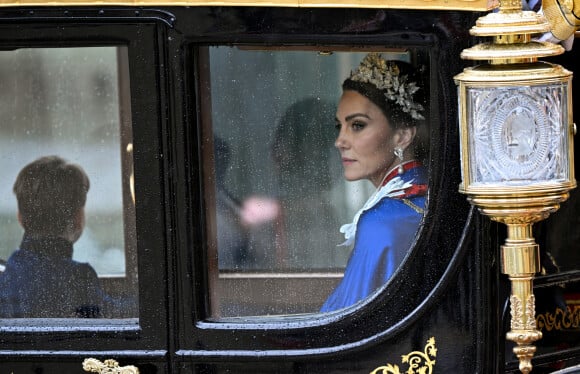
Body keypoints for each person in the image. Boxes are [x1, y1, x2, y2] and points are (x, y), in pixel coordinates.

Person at [321, 53, 428, 312]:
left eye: (357, 125)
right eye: (339, 127)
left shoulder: (383, 221)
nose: (340, 141)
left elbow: (345, 323)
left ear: (402, 136)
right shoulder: (414, 198)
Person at [0, 156, 119, 318]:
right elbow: (115, 317)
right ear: (78, 218)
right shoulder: (79, 278)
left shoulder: (12, 271)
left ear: (20, 218)